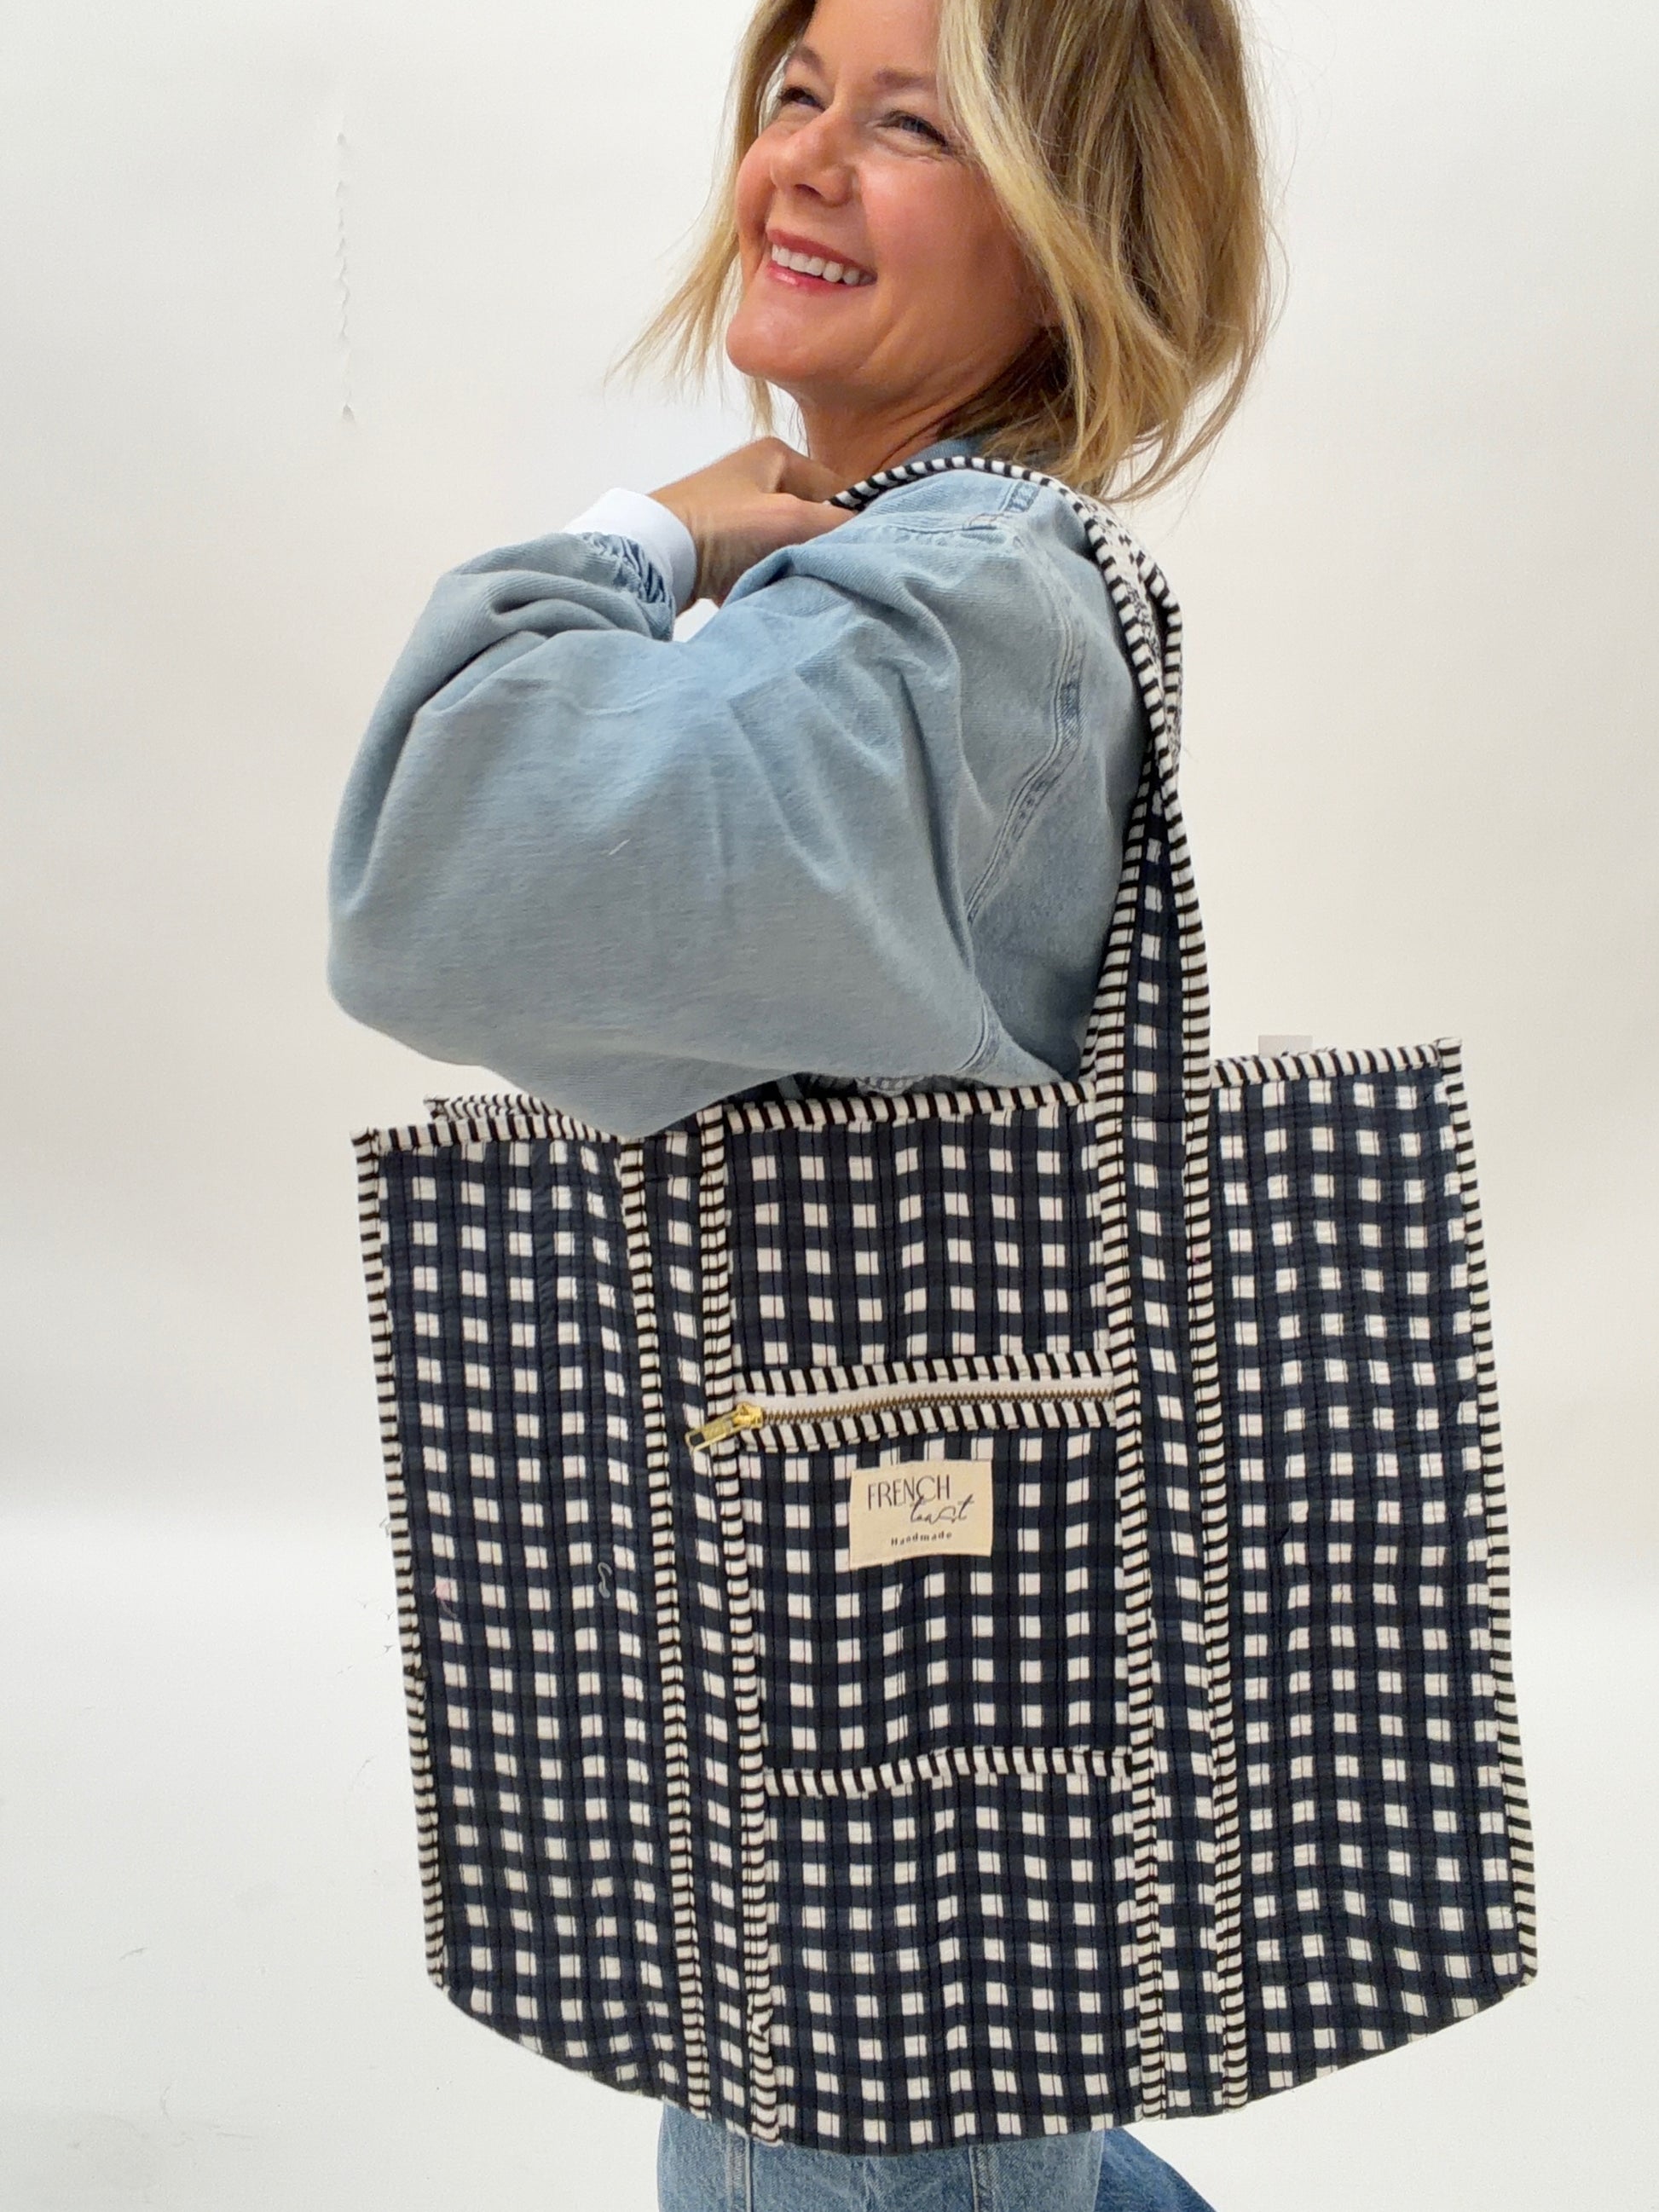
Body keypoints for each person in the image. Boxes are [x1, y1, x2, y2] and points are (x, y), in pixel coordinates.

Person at [329, 0, 1271, 2201]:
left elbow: (435, 894)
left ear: (1069, 235)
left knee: (878, 2124)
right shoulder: (924, 583)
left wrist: (624, 546)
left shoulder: (940, 605)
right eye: (795, 93)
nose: (806, 164)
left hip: (873, 1652)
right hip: (876, 1606)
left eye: (914, 127)